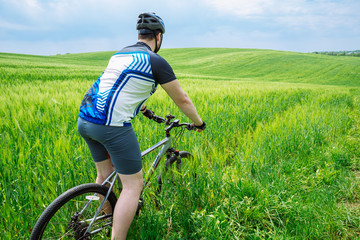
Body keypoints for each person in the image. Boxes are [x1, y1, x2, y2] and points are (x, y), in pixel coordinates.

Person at [77, 12, 206, 240]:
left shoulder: (120, 54)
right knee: (133, 185)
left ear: (139, 35)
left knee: (104, 175)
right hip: (112, 126)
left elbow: (120, 86)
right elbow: (182, 99)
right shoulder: (155, 61)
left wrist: (145, 110)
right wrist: (199, 123)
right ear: (158, 37)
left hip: (85, 120)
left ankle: (108, 220)